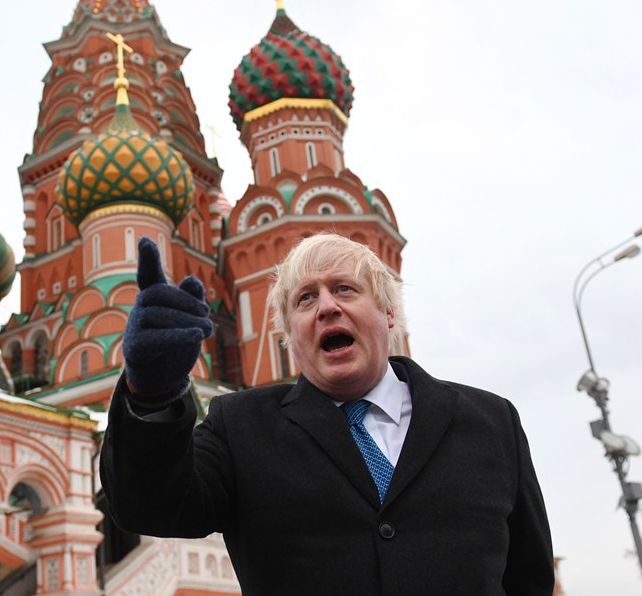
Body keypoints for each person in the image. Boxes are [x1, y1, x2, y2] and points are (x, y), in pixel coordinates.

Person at [101, 233, 553, 596]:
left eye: (344, 289)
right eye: (305, 299)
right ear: (290, 338)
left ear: (388, 312)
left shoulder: (490, 421)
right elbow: (150, 506)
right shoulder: (241, 427)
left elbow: (529, 578)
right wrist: (152, 392)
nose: (327, 307)